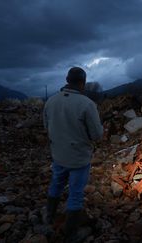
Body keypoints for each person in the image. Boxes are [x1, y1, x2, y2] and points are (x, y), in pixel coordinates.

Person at [43, 67, 103, 241]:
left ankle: (49, 216)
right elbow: (96, 135)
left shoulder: (51, 101)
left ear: (67, 79)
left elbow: (46, 128)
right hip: (78, 158)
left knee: (56, 185)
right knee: (75, 194)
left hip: (58, 155)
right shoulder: (87, 104)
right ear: (83, 83)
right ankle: (70, 233)